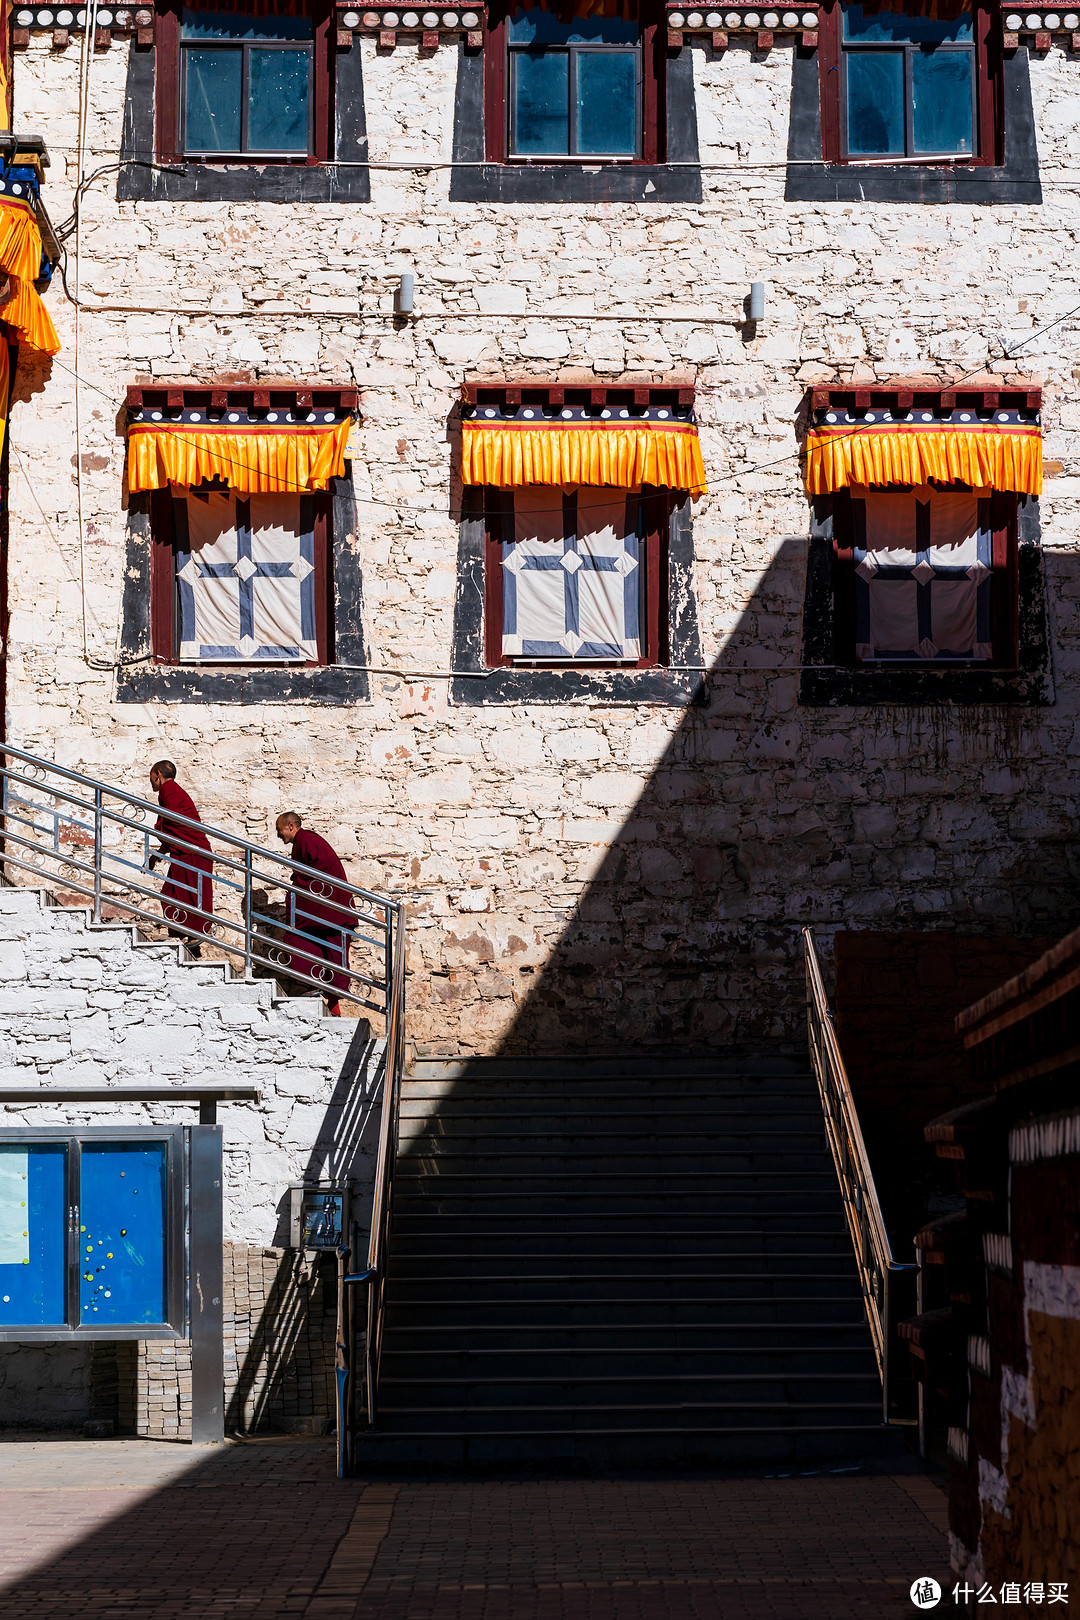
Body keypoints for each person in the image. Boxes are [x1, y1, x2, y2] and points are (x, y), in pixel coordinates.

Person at [275, 812, 355, 1017]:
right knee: (325, 945)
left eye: (279, 830)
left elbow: (318, 874)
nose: (278, 835)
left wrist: (295, 893)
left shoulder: (307, 840)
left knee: (293, 938)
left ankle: (312, 984)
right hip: (328, 905)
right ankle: (330, 1002)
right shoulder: (304, 841)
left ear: (290, 826)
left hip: (328, 904)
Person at [148, 760, 214, 959]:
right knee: (172, 893)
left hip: (192, 851)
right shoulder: (171, 791)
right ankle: (190, 936)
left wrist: (159, 833)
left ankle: (195, 934)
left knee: (185, 895)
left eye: (151, 776)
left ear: (157, 774)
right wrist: (160, 851)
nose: (150, 781)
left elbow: (172, 823)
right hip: (187, 850)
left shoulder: (168, 790)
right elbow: (174, 825)